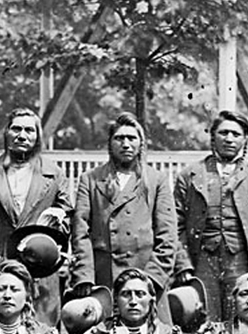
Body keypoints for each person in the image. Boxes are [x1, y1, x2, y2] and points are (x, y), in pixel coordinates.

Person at [0, 107, 71, 325]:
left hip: (40, 276)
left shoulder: (54, 174)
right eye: (16, 129)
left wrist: (59, 218)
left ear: (37, 136)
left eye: (29, 131)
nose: (22, 135)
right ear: (7, 133)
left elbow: (69, 219)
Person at [173, 111, 248, 323]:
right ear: (213, 137)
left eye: (235, 134)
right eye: (223, 133)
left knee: (240, 317)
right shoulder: (191, 174)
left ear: (245, 138)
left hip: (241, 260)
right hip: (202, 260)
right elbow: (175, 225)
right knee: (203, 318)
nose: (229, 138)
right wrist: (182, 264)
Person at [70, 113, 177, 296]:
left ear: (140, 144)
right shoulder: (91, 180)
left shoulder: (155, 180)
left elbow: (167, 235)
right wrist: (84, 276)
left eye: (131, 138)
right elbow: (80, 232)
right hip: (104, 277)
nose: (126, 144)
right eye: (119, 138)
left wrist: (152, 278)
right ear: (110, 143)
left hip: (144, 276)